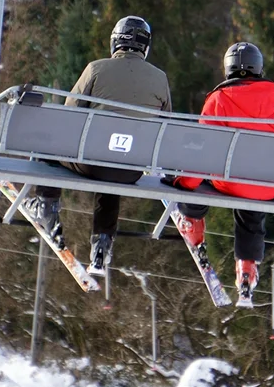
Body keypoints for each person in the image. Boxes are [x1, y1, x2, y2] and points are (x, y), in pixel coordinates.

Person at [22, 15, 172, 276]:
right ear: (145, 47)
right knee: (114, 169)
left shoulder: (96, 69)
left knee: (51, 139)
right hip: (131, 171)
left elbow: (69, 114)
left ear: (115, 42)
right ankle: (101, 248)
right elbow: (166, 122)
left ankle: (47, 207)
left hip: (91, 163)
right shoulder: (160, 79)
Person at [170, 42, 274, 305]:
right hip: (269, 185)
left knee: (200, 182)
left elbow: (201, 151)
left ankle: (192, 222)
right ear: (259, 67)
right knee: (252, 199)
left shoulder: (219, 99)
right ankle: (246, 268)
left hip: (229, 182)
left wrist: (185, 185)